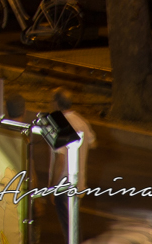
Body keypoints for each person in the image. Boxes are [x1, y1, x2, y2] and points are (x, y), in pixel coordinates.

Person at [48, 88, 96, 242]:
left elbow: (60, 160)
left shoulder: (58, 124)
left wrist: (52, 187)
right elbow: (93, 142)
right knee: (73, 223)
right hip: (79, 181)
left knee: (69, 229)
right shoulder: (81, 121)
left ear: (56, 103)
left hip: (64, 184)